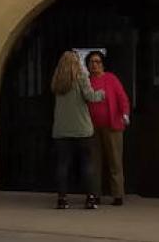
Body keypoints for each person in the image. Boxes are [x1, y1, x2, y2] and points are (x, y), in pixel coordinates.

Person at [50, 50, 104, 209]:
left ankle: (62, 199)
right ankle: (90, 198)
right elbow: (90, 96)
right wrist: (101, 94)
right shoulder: (81, 77)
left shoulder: (57, 80)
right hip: (82, 129)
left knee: (63, 165)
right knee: (87, 164)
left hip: (61, 130)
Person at [85, 50, 131, 206]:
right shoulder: (86, 81)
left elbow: (122, 98)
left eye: (97, 62)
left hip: (112, 125)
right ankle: (95, 194)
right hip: (92, 127)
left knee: (115, 160)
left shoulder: (111, 79)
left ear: (103, 64)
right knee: (94, 162)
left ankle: (118, 194)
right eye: (91, 62)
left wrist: (125, 114)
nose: (94, 65)